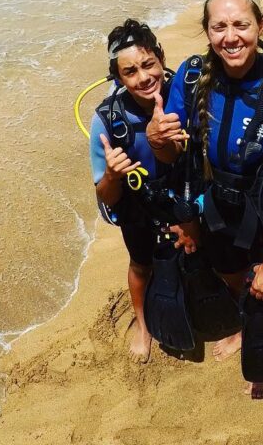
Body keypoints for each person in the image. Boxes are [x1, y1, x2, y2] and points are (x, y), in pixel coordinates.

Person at [147, 0, 263, 389]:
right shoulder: (190, 78)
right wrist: (157, 142)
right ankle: (241, 325)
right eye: (219, 27)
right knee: (228, 270)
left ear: (261, 24)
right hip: (217, 202)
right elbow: (175, 155)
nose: (231, 37)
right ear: (206, 31)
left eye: (241, 25)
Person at [88, 19, 179, 362]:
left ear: (161, 57)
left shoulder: (184, 97)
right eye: (130, 72)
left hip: (183, 194)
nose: (143, 77)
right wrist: (112, 174)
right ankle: (143, 325)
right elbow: (106, 196)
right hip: (138, 204)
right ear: (118, 78)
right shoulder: (106, 120)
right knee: (141, 264)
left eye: (148, 64)